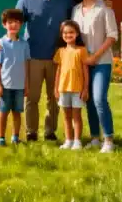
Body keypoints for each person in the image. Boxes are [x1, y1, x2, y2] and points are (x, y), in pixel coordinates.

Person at [0, 0, 74, 142]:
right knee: (32, 97)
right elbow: (13, 23)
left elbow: (80, 14)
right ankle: (31, 131)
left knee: (54, 97)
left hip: (58, 56)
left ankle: (49, 132)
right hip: (32, 57)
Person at [71, 0, 118, 153]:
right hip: (83, 63)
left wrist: (95, 57)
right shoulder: (75, 10)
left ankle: (109, 140)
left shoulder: (104, 8)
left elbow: (112, 35)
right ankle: (94, 138)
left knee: (99, 99)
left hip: (102, 61)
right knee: (88, 100)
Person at [0, 9, 30, 146]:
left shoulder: (24, 44)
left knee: (17, 112)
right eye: (10, 22)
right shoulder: (0, 44)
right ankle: (1, 138)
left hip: (20, 86)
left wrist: (26, 84)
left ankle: (15, 137)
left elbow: (26, 65)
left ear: (21, 24)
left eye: (16, 22)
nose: (13, 25)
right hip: (5, 85)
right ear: (4, 24)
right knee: (3, 112)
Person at [53, 20, 89, 150]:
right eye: (65, 32)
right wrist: (56, 88)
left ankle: (77, 141)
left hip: (77, 89)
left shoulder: (82, 50)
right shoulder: (61, 51)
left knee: (76, 116)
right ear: (62, 35)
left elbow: (85, 71)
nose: (68, 35)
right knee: (66, 116)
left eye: (71, 32)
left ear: (77, 34)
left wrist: (85, 89)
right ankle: (68, 140)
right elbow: (58, 71)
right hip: (63, 88)